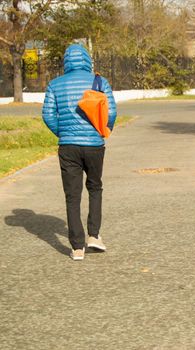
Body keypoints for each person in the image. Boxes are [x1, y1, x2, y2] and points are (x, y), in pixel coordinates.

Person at [42, 44, 117, 261]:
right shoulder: (99, 81)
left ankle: (77, 247)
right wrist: (103, 129)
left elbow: (48, 115)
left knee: (72, 195)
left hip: (68, 147)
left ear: (66, 61)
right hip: (94, 145)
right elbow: (110, 111)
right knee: (95, 187)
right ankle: (94, 235)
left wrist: (63, 132)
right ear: (86, 59)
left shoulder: (55, 84)